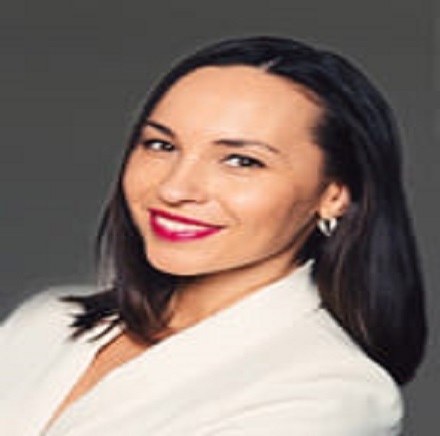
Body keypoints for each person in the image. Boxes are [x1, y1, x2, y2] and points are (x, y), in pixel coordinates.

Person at [0, 36, 426, 435]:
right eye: (161, 145)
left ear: (334, 196)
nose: (174, 189)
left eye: (241, 161)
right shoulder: (46, 321)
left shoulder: (331, 394)